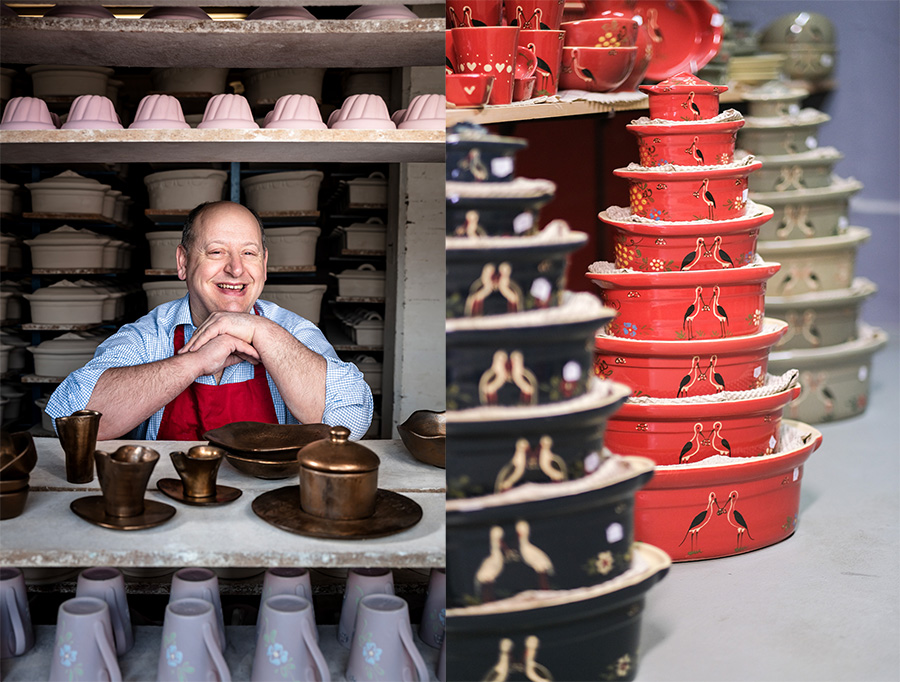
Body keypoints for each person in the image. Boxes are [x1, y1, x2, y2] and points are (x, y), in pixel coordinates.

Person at [46, 201, 373, 441]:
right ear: (183, 262)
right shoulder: (150, 335)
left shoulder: (293, 331)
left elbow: (351, 422)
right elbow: (70, 419)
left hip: (268, 507)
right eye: (216, 252)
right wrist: (192, 364)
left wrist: (261, 331)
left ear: (265, 263)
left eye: (249, 253)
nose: (235, 269)